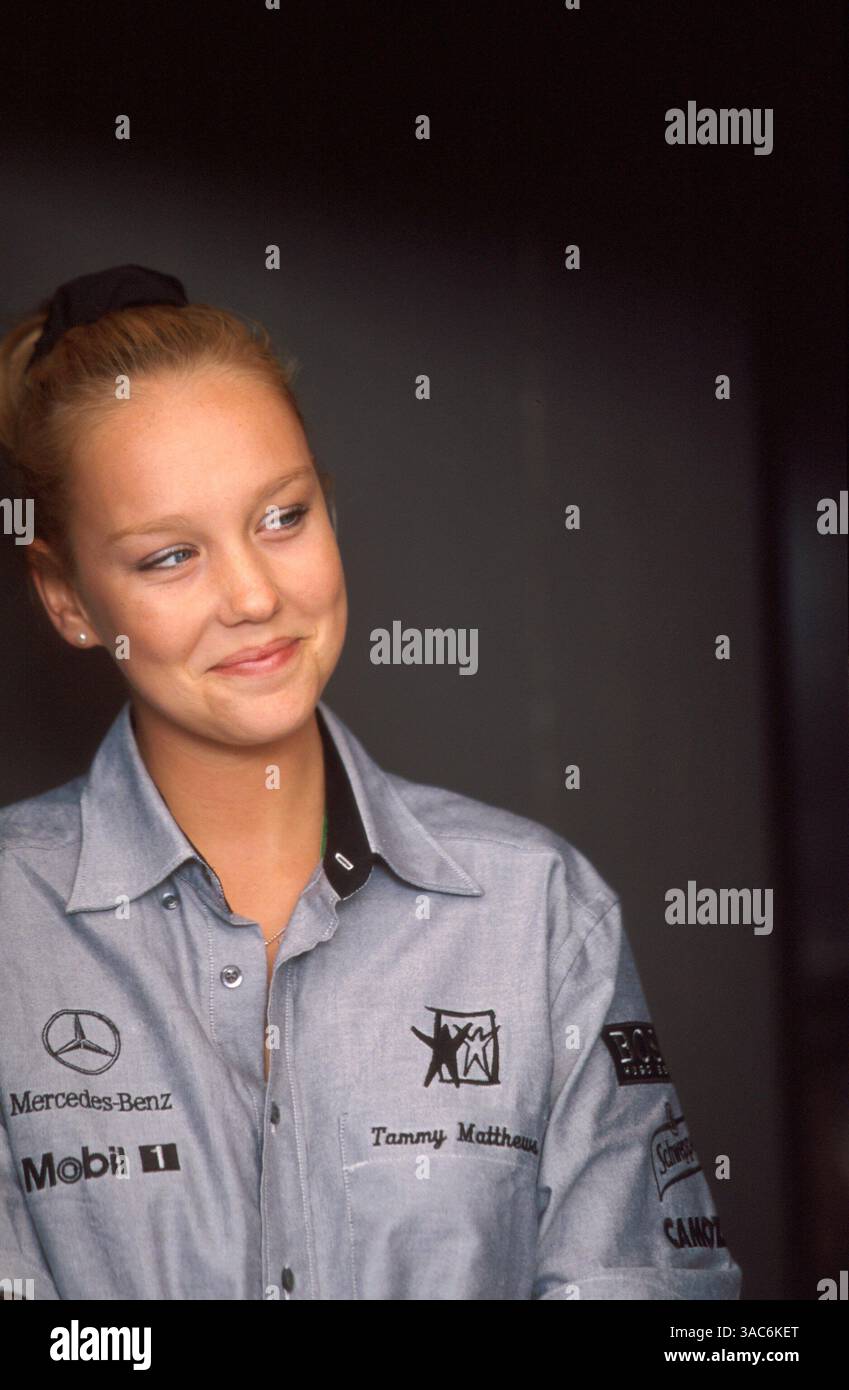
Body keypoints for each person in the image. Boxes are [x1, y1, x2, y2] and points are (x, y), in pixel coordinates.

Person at [0, 266, 743, 1301]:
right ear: (66, 597)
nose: (254, 593)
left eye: (283, 516)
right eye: (171, 555)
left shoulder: (538, 913)